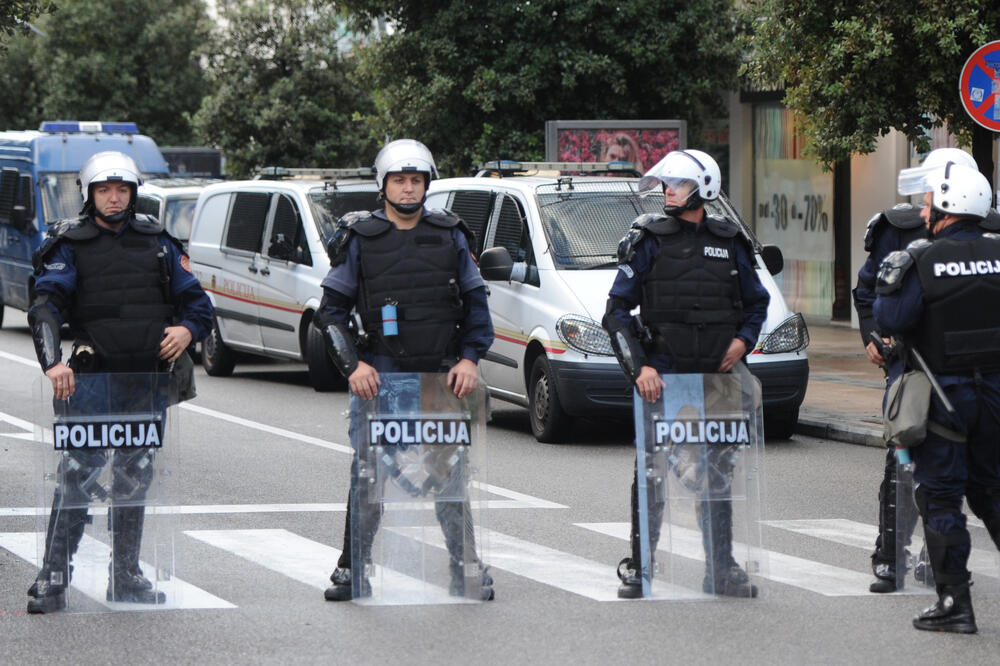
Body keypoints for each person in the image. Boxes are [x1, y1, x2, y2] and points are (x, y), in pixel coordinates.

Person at [26, 151, 213, 614]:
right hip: (91, 382)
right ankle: (53, 576)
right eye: (105, 190)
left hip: (145, 383)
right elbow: (45, 306)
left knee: (135, 480)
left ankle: (125, 574)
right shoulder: (70, 244)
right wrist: (52, 364)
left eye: (123, 190)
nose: (114, 198)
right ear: (90, 194)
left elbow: (199, 305)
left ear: (133, 193)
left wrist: (188, 329)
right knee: (77, 478)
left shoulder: (158, 243)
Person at [315, 139, 495, 602]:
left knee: (451, 477)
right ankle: (352, 568)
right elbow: (330, 313)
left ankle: (465, 566)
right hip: (381, 380)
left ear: (426, 184)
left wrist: (471, 359)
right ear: (384, 184)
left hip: (442, 378)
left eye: (416, 180)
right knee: (369, 475)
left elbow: (476, 304)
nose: (409, 188)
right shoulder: (360, 238)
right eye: (400, 179)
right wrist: (353, 367)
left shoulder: (451, 233)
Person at [603, 149, 770, 598]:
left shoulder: (730, 239)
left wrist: (744, 341)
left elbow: (758, 302)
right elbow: (616, 313)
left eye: (676, 183)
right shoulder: (649, 239)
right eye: (666, 184)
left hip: (718, 380)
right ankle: (641, 567)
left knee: (718, 474)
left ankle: (722, 568)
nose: (667, 191)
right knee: (652, 474)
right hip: (665, 377)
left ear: (703, 188)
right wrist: (641, 368)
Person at [852, 147, 998, 593]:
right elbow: (868, 292)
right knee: (902, 471)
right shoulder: (896, 229)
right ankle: (891, 557)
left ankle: (943, 575)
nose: (924, 203)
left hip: (956, 378)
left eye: (931, 194)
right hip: (912, 369)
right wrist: (873, 337)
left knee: (948, 485)